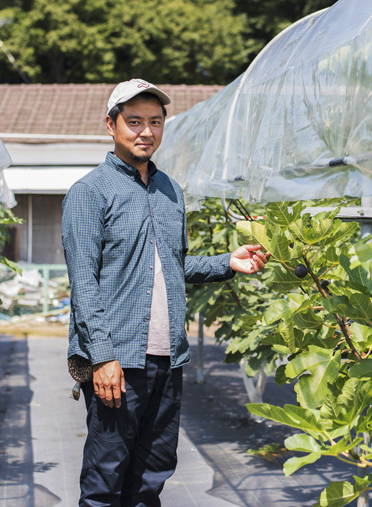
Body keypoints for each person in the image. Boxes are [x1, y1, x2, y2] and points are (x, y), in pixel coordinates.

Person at [61, 78, 270, 507]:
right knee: (105, 480)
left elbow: (170, 267)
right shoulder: (89, 193)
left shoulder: (170, 191)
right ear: (110, 124)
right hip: (118, 359)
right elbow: (84, 285)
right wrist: (102, 357)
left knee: (152, 474)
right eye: (134, 121)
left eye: (155, 121)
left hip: (167, 358)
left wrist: (226, 263)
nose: (146, 131)